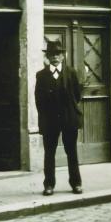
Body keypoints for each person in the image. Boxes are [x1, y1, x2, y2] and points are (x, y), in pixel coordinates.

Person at [35, 40, 84, 196]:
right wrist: (45, 116)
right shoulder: (41, 75)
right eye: (52, 55)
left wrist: (68, 109)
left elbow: (77, 95)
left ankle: (76, 183)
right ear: (47, 57)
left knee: (72, 152)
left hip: (69, 119)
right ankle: (49, 185)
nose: (55, 57)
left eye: (58, 54)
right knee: (49, 154)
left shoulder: (71, 73)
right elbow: (39, 100)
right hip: (50, 121)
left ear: (63, 56)